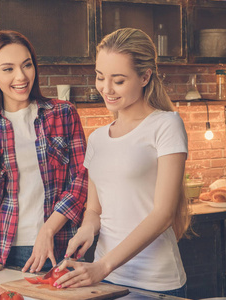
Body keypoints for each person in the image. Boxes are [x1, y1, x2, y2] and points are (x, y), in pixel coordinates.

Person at [54, 28, 191, 298]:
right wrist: (86, 230)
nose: (106, 89)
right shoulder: (97, 139)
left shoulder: (166, 125)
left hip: (155, 282)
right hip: (108, 283)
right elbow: (94, 210)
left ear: (144, 77)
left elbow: (163, 214)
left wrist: (103, 265)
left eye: (118, 80)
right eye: (100, 77)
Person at [0, 30, 88, 273]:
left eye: (27, 65)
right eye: (8, 69)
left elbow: (81, 182)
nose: (21, 76)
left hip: (60, 247)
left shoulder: (62, 113)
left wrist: (47, 230)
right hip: (5, 252)